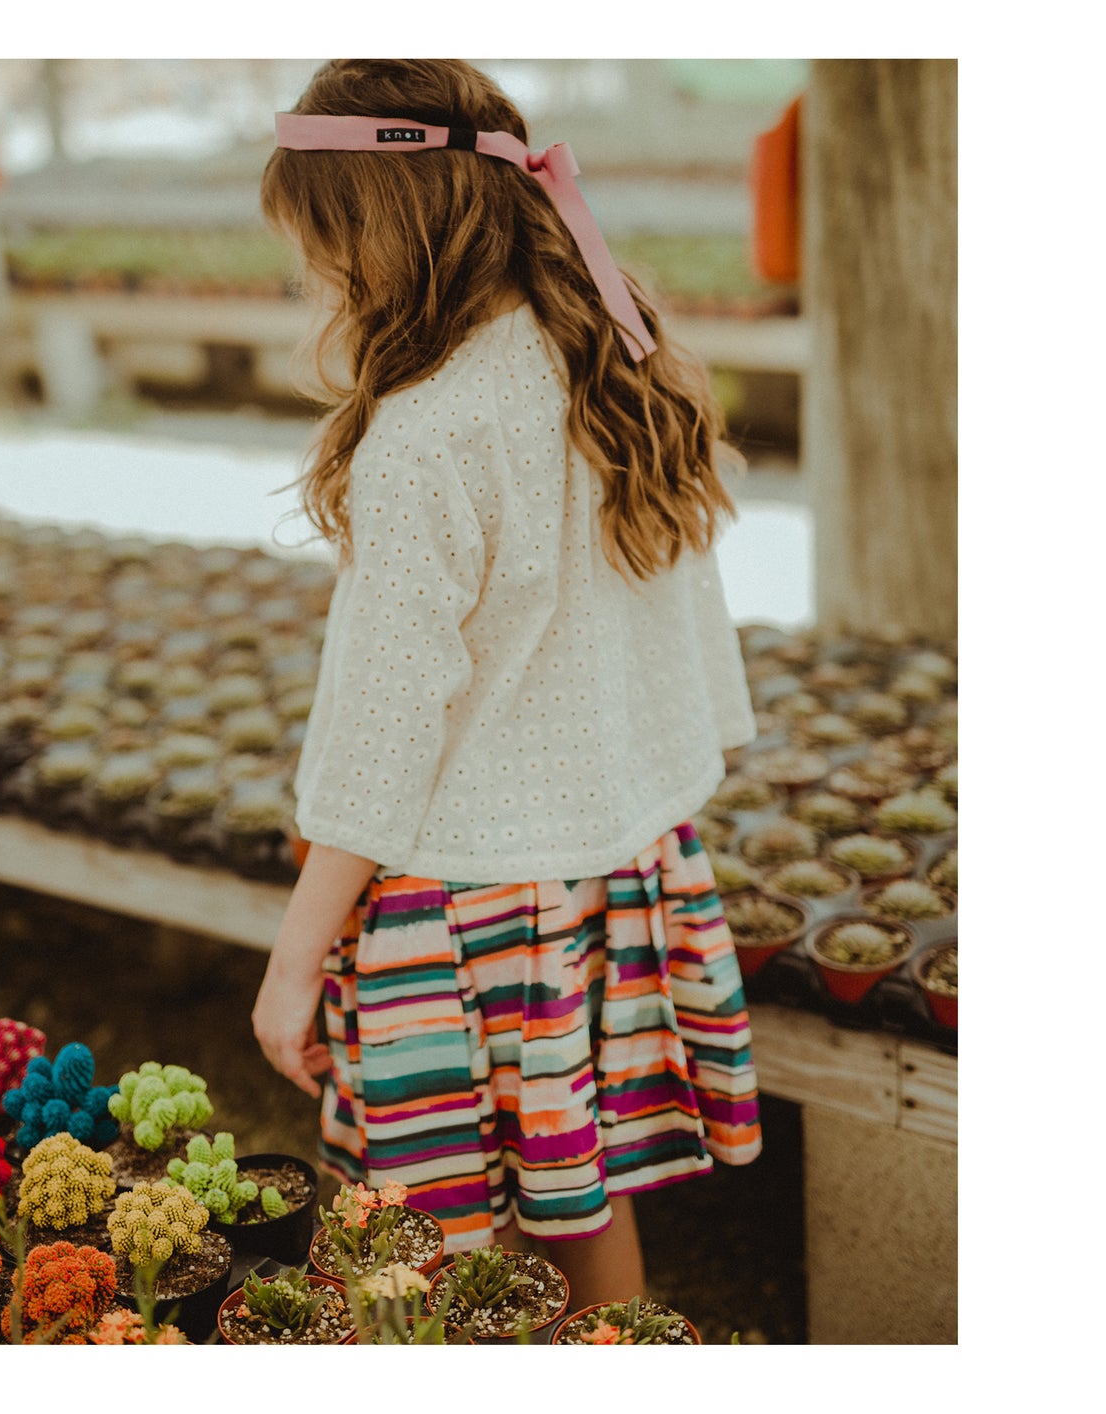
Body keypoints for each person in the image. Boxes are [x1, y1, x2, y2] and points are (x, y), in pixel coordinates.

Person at [251, 58, 761, 1311]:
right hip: (611, 859)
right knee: (579, 1189)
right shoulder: (612, 358)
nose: (316, 278)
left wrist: (291, 961)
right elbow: (689, 628)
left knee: (434, 1253)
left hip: (465, 902)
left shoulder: (426, 430)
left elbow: (382, 736)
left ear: (379, 234)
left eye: (319, 245)